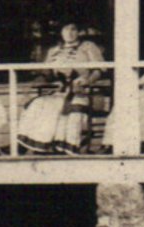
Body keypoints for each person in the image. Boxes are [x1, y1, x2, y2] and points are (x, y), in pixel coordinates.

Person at [15, 23, 104, 154]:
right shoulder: (54, 50)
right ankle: (29, 143)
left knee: (54, 105)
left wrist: (87, 81)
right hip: (60, 91)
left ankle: (46, 146)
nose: (70, 33)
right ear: (61, 32)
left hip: (83, 92)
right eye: (66, 29)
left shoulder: (88, 47)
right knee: (38, 103)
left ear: (79, 31)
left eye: (73, 29)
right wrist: (43, 76)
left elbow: (99, 70)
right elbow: (47, 74)